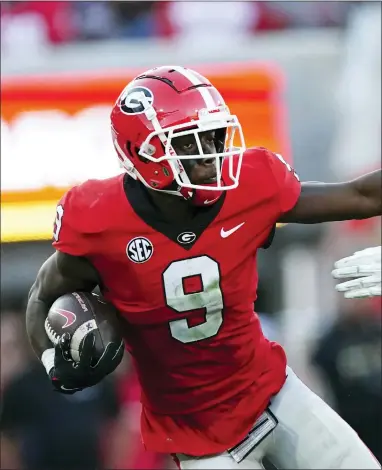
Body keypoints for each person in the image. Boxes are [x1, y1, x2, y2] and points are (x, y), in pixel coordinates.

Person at [26, 66, 382, 469]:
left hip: (274, 394)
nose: (213, 154)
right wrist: (52, 362)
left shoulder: (251, 185)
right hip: (199, 439)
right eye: (193, 142)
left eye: (215, 137)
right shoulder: (96, 219)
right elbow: (42, 293)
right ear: (147, 153)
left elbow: (360, 195)